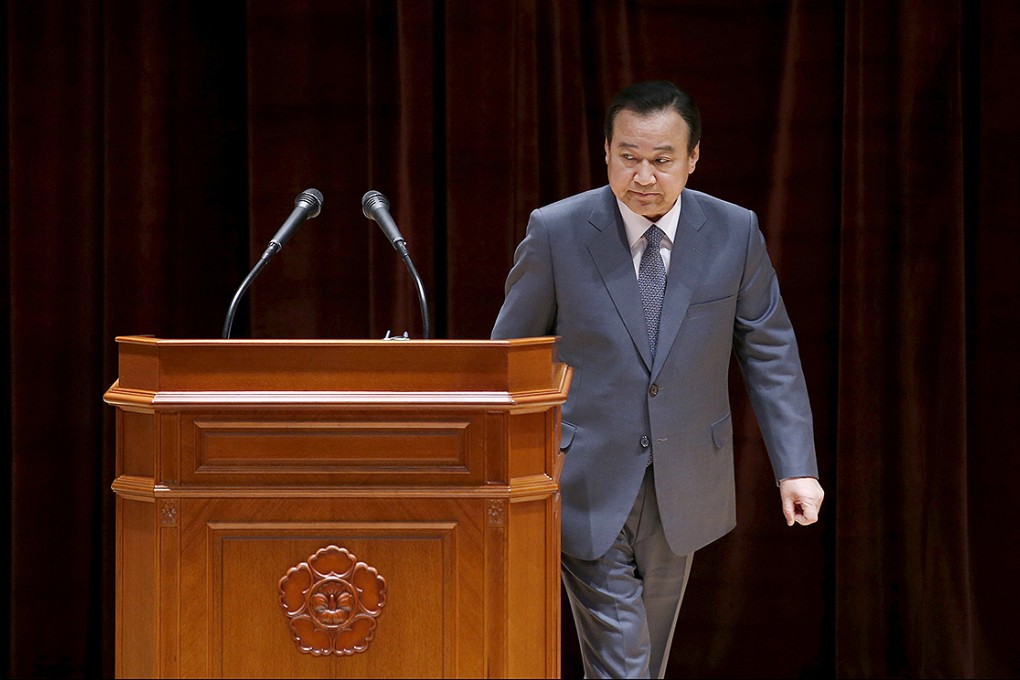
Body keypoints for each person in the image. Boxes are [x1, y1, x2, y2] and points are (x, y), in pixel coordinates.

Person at [491, 81, 824, 678]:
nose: (643, 176)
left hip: (685, 480)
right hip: (585, 478)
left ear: (693, 158)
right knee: (624, 657)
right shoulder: (558, 230)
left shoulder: (734, 231)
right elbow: (510, 357)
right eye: (629, 157)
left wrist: (796, 466)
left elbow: (769, 349)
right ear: (607, 151)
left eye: (662, 160)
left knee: (644, 651)